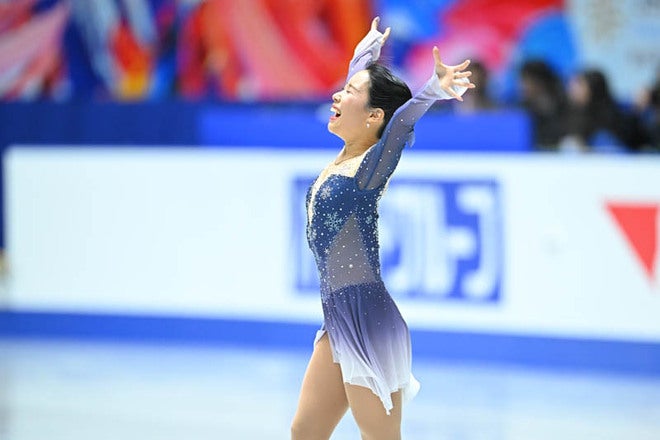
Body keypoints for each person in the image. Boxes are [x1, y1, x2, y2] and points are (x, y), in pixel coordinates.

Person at [290, 17, 474, 440]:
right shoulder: (346, 158)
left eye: (349, 91)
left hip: (368, 320)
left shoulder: (370, 169)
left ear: (374, 116)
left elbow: (400, 123)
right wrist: (363, 55)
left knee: (379, 437)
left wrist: (432, 89)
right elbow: (365, 96)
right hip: (337, 318)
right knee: (305, 431)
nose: (337, 95)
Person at [518, 60, 568, 150]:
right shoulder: (520, 110)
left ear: (540, 82)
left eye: (526, 81)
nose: (522, 86)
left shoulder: (566, 107)